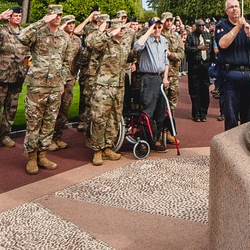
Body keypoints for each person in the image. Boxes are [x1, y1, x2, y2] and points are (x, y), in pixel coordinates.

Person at [19, 4, 70, 175]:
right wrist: (41, 22)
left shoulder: (64, 37)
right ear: (48, 15)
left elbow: (66, 62)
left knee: (49, 122)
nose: (58, 17)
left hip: (55, 86)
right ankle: (31, 157)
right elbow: (21, 36)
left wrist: (62, 81)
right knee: (34, 121)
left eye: (60, 14)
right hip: (37, 85)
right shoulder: (38, 32)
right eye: (55, 14)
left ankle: (43, 154)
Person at [0, 6, 29, 152]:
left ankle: (5, 134)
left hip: (17, 76)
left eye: (19, 16)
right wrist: (0, 16)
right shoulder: (1, 30)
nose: (17, 18)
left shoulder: (24, 33)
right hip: (0, 76)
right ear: (9, 17)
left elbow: (27, 53)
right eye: (15, 16)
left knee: (11, 108)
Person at [86, 17, 132, 166]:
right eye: (119, 28)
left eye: (123, 29)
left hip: (118, 87)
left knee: (114, 118)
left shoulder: (124, 43)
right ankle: (97, 150)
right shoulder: (104, 42)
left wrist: (136, 52)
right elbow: (90, 42)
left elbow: (127, 59)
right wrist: (108, 33)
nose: (122, 31)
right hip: (103, 86)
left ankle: (107, 147)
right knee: (99, 118)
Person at [214, 0, 250, 130]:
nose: (235, 9)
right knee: (231, 115)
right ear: (226, 11)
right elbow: (223, 44)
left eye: (237, 6)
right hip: (230, 75)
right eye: (231, 7)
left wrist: (249, 33)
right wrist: (237, 27)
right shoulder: (221, 26)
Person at [51, 12, 93, 152]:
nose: (71, 26)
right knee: (52, 109)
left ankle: (58, 137)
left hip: (69, 77)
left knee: (64, 108)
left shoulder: (76, 40)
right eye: (68, 23)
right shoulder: (57, 38)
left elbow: (78, 60)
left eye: (72, 23)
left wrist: (75, 75)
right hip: (56, 78)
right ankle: (48, 138)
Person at [134, 16, 170, 151]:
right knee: (147, 111)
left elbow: (166, 61)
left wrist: (165, 77)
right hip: (147, 79)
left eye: (159, 27)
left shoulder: (164, 41)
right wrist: (149, 31)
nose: (157, 29)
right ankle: (144, 142)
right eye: (154, 27)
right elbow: (137, 47)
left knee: (160, 112)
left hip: (159, 78)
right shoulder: (146, 40)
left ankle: (155, 140)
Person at [185, 19, 212, 122]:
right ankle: (196, 113)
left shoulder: (208, 35)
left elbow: (211, 51)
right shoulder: (191, 36)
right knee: (194, 90)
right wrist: (198, 48)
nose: (201, 27)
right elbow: (187, 49)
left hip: (205, 65)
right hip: (194, 65)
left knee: (205, 90)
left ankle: (203, 113)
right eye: (199, 25)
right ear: (196, 26)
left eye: (203, 25)